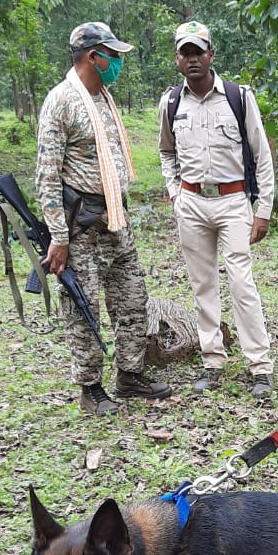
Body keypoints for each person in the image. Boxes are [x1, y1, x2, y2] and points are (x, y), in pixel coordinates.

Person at [35, 22, 170, 413]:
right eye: (113, 55)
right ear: (94, 56)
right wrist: (58, 236)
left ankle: (130, 375)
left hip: (115, 218)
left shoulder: (104, 99)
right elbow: (46, 175)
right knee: (83, 308)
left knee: (132, 300)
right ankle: (90, 387)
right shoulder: (62, 101)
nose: (118, 62)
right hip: (80, 227)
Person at [158, 20, 276, 402]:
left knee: (242, 283)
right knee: (203, 284)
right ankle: (212, 361)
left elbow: (261, 155)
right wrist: (175, 193)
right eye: (185, 53)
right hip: (191, 202)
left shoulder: (238, 97)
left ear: (212, 55)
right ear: (177, 59)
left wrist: (264, 209)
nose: (192, 59)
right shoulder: (171, 102)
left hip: (232, 201)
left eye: (198, 51)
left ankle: (260, 366)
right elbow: (166, 152)